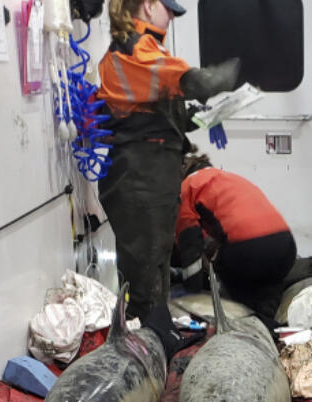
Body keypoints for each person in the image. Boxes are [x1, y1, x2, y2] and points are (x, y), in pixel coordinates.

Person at [95, 0, 241, 320]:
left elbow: (165, 117)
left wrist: (208, 117)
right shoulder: (132, 51)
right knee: (144, 270)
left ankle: (158, 334)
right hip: (137, 177)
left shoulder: (147, 50)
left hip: (154, 175)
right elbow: (193, 82)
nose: (172, 16)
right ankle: (146, 340)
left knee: (158, 260)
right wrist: (240, 70)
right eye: (169, 8)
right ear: (147, 5)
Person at [173, 152, 298, 317]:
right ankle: (268, 330)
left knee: (239, 305)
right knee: (264, 308)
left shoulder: (187, 188)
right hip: (285, 246)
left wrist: (192, 300)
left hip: (248, 250)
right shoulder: (227, 178)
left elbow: (190, 250)